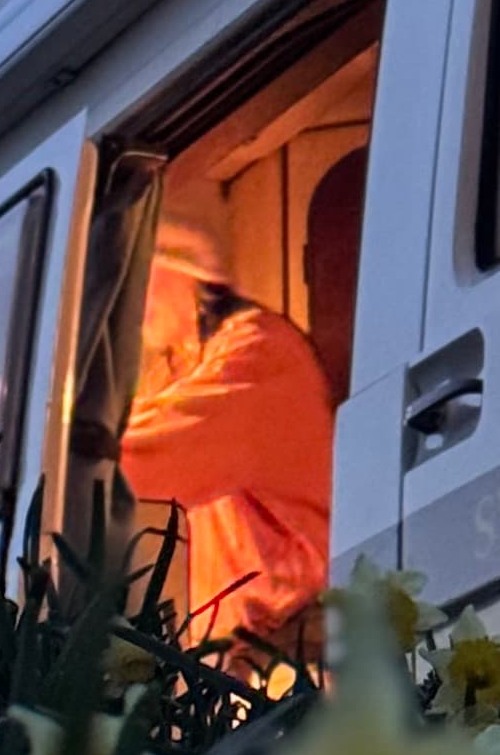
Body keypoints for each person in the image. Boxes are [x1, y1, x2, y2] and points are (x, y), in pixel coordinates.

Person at [119, 216, 337, 649]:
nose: (132, 296)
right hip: (241, 664)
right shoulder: (192, 366)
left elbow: (136, 463)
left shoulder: (257, 355)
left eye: (144, 273)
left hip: (290, 658)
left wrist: (57, 436)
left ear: (193, 275)